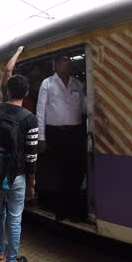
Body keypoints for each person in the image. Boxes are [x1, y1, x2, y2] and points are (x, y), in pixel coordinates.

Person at [0, 75, 38, 262]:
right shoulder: (30, 119)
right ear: (27, 93)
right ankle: (12, 258)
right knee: (14, 218)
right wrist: (31, 181)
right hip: (17, 176)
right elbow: (31, 155)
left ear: (8, 90)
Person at [36, 52, 87, 222]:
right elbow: (40, 111)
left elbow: (84, 107)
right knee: (58, 172)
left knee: (75, 170)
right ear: (57, 65)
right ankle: (60, 209)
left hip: (75, 132)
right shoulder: (47, 83)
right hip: (54, 133)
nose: (68, 64)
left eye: (69, 61)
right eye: (64, 61)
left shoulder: (77, 84)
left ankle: (74, 209)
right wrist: (41, 137)